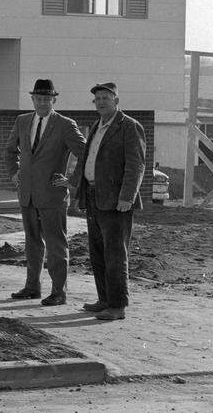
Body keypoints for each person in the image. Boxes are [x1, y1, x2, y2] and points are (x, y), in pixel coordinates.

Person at [4, 79, 86, 306]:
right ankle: (32, 287)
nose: (42, 103)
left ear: (54, 100)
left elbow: (85, 152)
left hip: (52, 195)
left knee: (56, 244)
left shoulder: (65, 125)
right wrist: (14, 172)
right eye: (38, 98)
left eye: (47, 99)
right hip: (27, 193)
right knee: (32, 242)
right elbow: (10, 150)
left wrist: (71, 181)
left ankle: (59, 292)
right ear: (32, 99)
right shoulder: (22, 121)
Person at [68, 82, 146, 321]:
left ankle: (117, 306)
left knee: (115, 254)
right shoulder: (96, 126)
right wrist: (75, 186)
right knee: (98, 252)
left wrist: (127, 197)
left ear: (116, 101)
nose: (101, 102)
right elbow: (87, 159)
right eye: (98, 99)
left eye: (106, 98)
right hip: (94, 196)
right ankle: (104, 300)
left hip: (116, 201)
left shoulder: (129, 126)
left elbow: (136, 165)